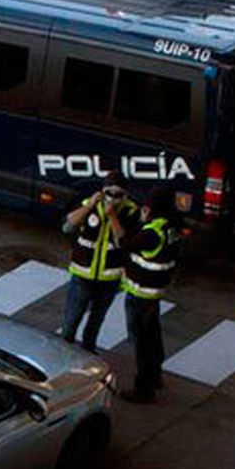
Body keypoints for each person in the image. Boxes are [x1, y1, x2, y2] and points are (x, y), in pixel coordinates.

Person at [60, 172, 137, 353]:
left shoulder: (130, 212)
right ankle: (63, 351)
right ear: (102, 192)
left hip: (109, 279)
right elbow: (67, 227)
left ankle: (88, 350)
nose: (113, 198)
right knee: (72, 319)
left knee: (96, 321)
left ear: (125, 195)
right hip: (82, 274)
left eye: (118, 194)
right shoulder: (89, 204)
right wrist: (89, 207)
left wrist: (112, 217)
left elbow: (124, 242)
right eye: (109, 193)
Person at [119, 187, 183, 404]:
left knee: (142, 342)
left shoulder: (152, 233)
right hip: (154, 292)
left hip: (141, 293)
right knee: (153, 337)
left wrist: (133, 221)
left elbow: (124, 243)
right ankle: (155, 376)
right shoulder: (172, 225)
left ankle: (144, 388)